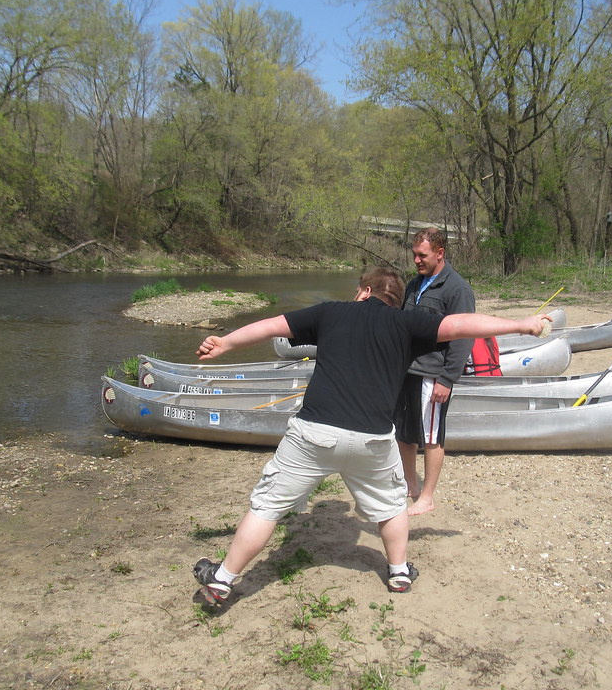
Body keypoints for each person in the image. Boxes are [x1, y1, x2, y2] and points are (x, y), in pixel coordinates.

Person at [191, 266, 550, 607]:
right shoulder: (407, 323)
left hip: (315, 433)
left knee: (267, 507)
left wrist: (226, 343)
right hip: (373, 440)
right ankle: (399, 572)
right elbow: (460, 324)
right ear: (396, 300)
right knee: (391, 506)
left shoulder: (330, 312)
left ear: (365, 291)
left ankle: (222, 579)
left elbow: (273, 326)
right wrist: (521, 324)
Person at [395, 227, 476, 517]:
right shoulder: (413, 285)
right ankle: (410, 484)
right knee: (404, 432)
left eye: (422, 255)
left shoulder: (457, 289)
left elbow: (464, 336)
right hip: (407, 371)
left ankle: (427, 496)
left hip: (433, 375)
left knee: (431, 436)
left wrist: (447, 379)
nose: (416, 260)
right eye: (414, 254)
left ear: (440, 253)